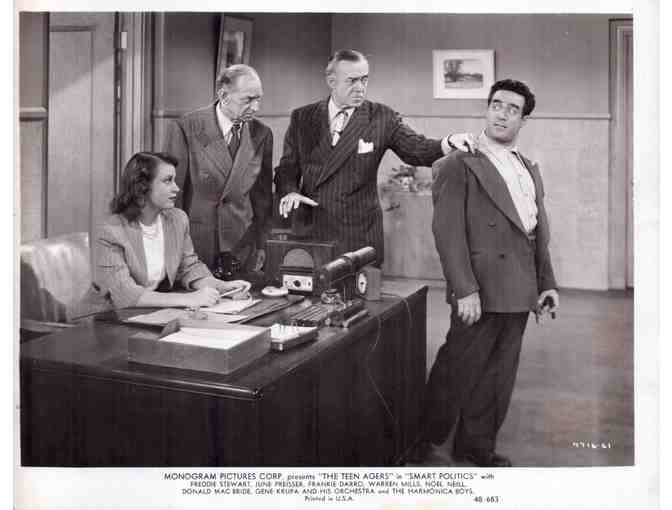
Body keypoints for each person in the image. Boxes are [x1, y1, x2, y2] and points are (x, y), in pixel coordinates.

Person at [414, 79, 560, 467]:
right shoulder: (457, 164)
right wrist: (464, 289)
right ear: (487, 108)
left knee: (497, 377)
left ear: (523, 120)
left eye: (513, 109)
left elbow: (535, 232)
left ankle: (476, 448)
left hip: (520, 289)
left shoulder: (528, 167)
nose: (502, 113)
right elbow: (447, 234)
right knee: (456, 369)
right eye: (496, 104)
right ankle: (421, 442)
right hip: (478, 289)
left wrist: (546, 283)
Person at [273, 49, 474, 265]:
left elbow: (417, 149)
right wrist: (290, 191)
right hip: (312, 231)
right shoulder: (303, 117)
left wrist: (449, 141)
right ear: (332, 82)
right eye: (352, 81)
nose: (360, 88)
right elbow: (287, 168)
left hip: (358, 235)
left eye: (364, 80)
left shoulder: (381, 117)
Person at [90, 152, 241, 310]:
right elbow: (125, 294)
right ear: (142, 187)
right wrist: (189, 299)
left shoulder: (178, 219)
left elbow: (189, 268)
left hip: (150, 313)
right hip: (108, 316)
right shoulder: (111, 231)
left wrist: (222, 287)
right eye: (168, 181)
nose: (177, 188)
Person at [163, 64, 273, 278]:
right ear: (223, 96)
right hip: (197, 245)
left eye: (258, 99)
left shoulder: (262, 134)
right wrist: (174, 248)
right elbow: (172, 197)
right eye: (248, 100)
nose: (256, 107)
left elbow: (263, 199)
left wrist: (262, 244)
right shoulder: (186, 128)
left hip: (242, 247)